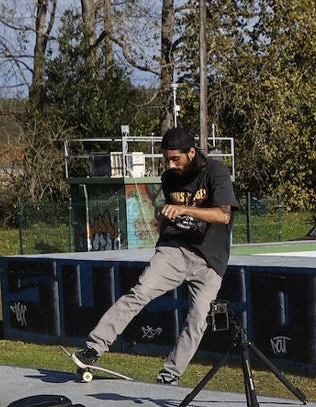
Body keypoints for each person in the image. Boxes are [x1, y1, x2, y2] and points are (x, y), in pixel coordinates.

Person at [75, 127, 238, 384]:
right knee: (139, 293)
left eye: (176, 159)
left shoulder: (215, 171)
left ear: (191, 152)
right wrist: (162, 242)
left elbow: (223, 215)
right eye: (167, 159)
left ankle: (169, 375)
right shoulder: (169, 178)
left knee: (197, 319)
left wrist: (186, 209)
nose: (171, 165)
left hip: (210, 259)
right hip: (174, 251)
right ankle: (94, 348)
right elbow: (166, 213)